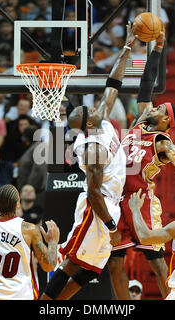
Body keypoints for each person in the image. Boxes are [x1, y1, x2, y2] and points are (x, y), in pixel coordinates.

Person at [40, 22, 136, 301]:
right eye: (87, 109)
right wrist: (111, 227)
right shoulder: (92, 147)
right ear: (88, 122)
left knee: (90, 269)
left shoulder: (101, 121)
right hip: (97, 210)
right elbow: (93, 193)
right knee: (71, 262)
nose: (92, 106)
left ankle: (57, 304)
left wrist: (128, 47)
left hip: (110, 205)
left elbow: (113, 84)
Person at [108, 27, 175, 300]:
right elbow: (147, 82)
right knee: (115, 261)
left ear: (166, 120)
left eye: (159, 108)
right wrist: (157, 48)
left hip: (141, 200)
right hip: (118, 196)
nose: (153, 107)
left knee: (155, 260)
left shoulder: (163, 142)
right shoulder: (140, 121)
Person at [0, 184, 60, 300]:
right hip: (21, 296)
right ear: (17, 204)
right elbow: (49, 265)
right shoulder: (29, 229)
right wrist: (53, 242)